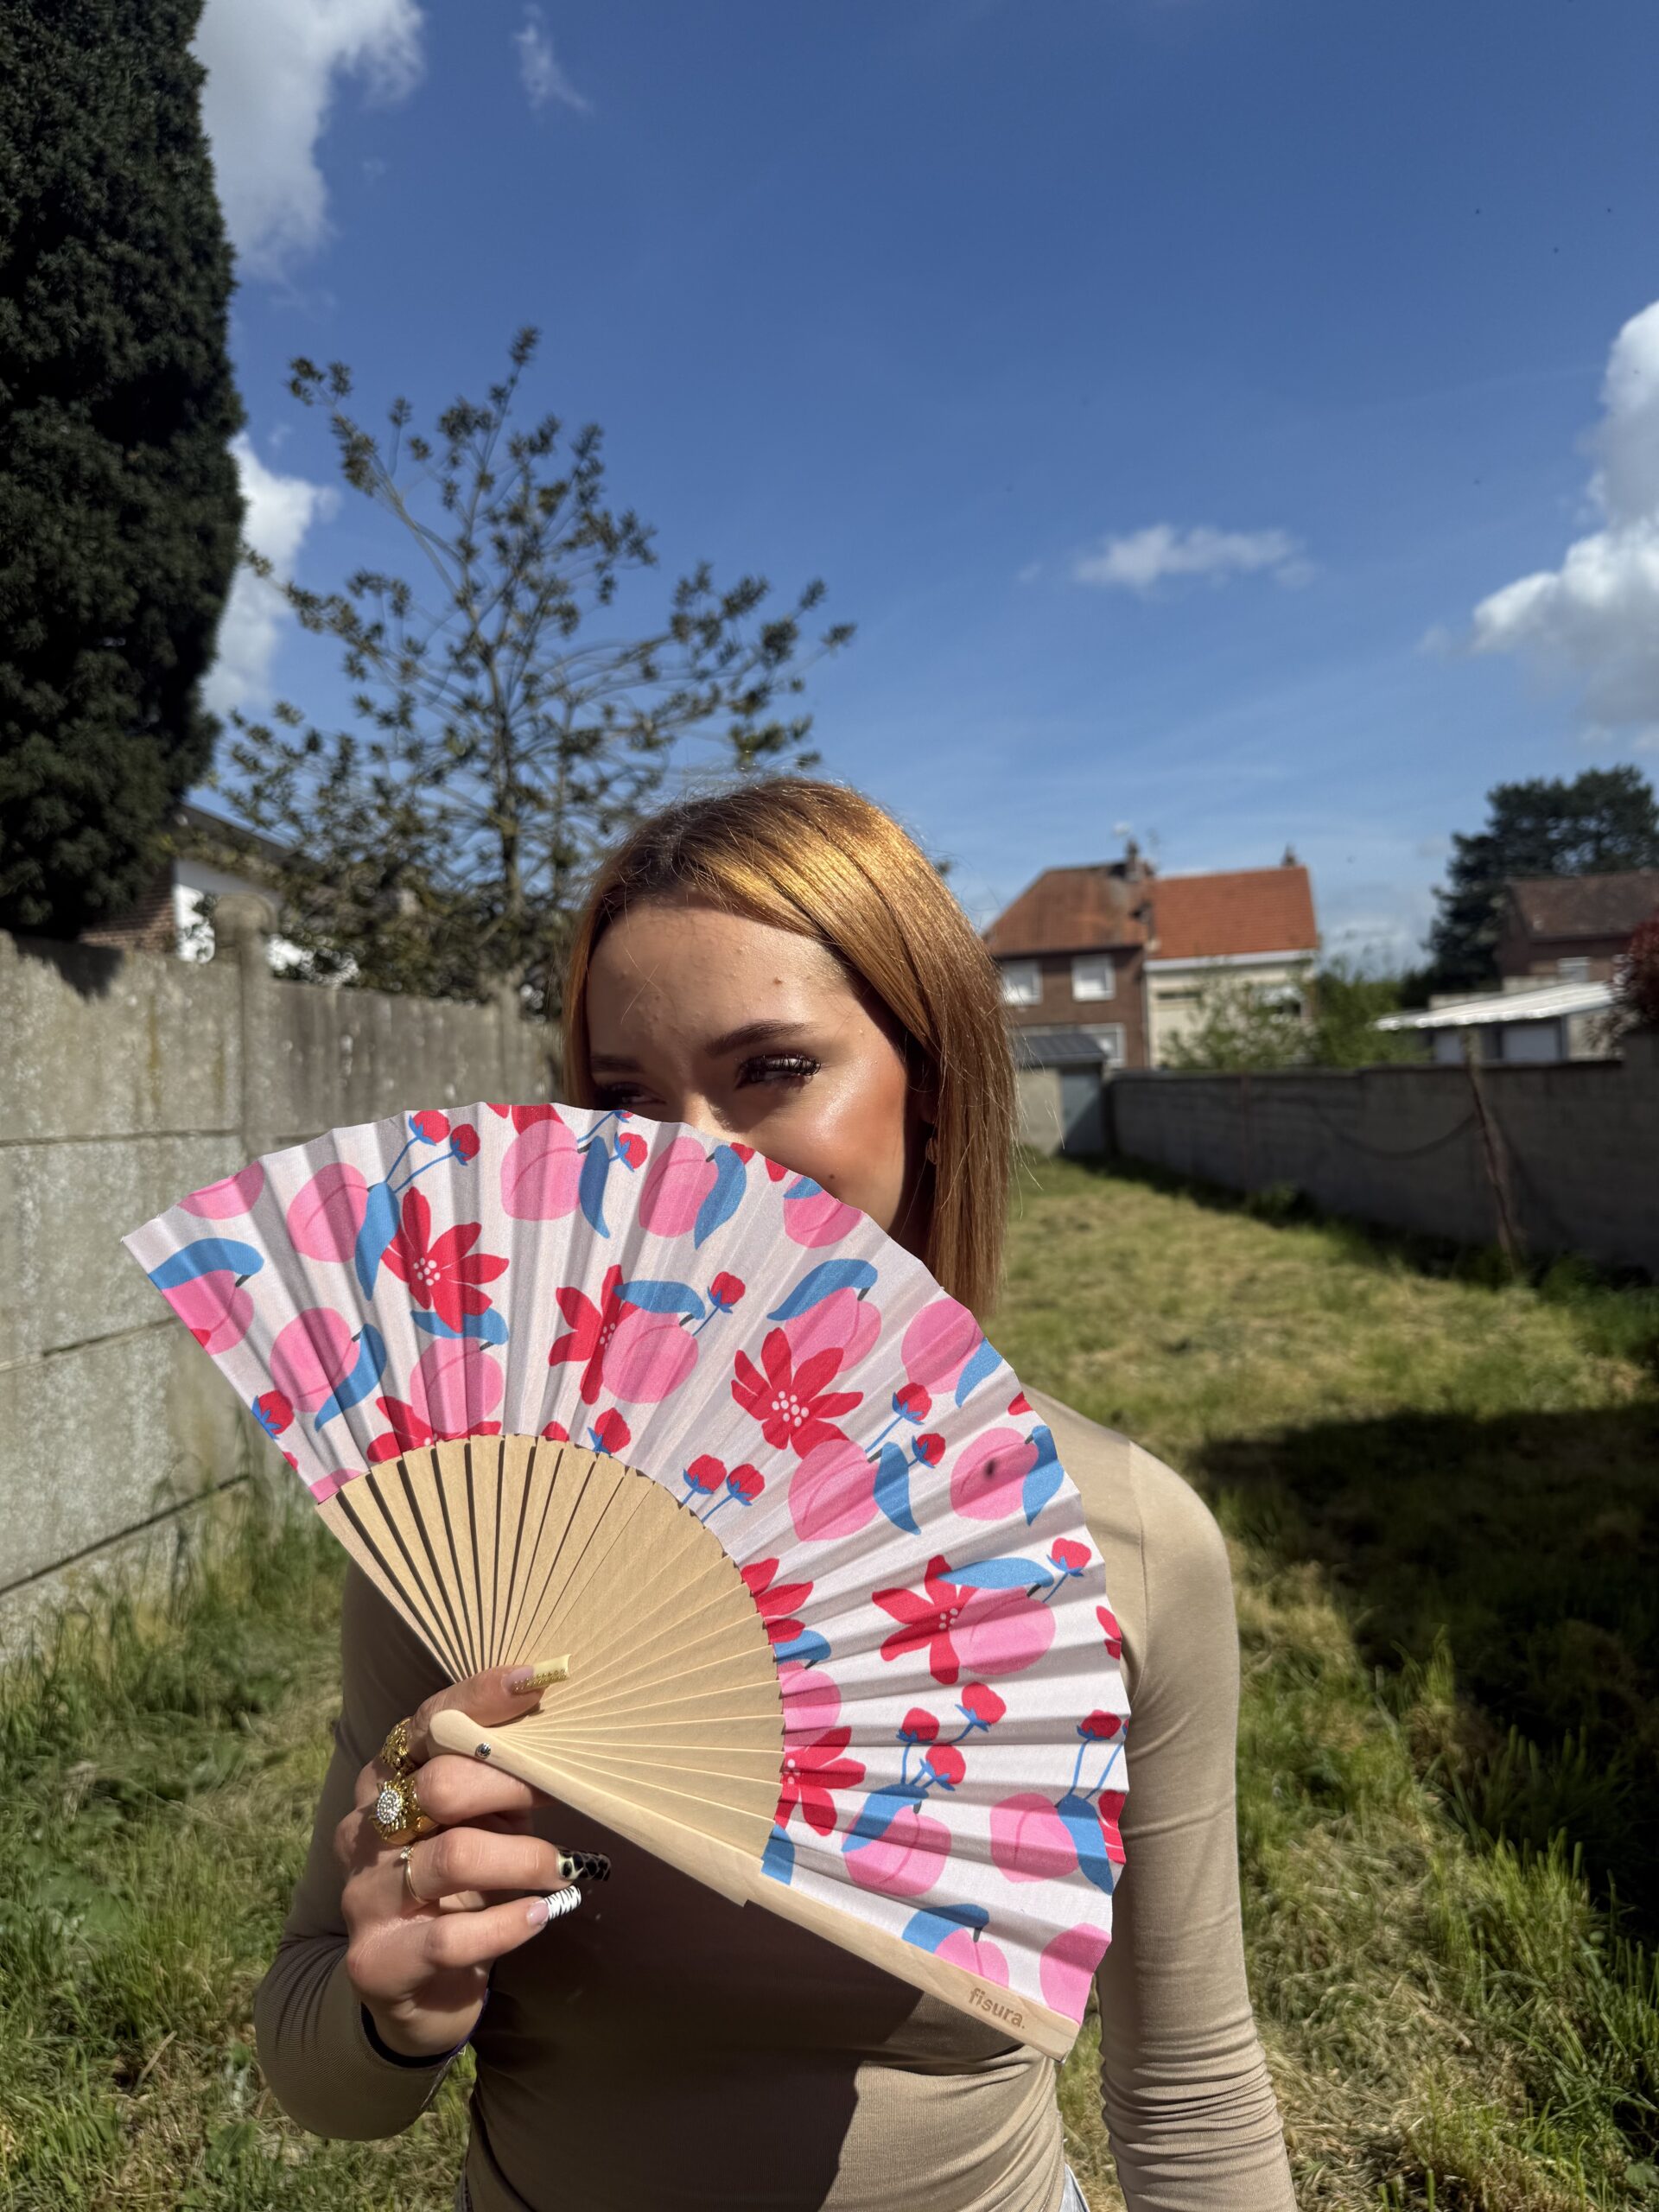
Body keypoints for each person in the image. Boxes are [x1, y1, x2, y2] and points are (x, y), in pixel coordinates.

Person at [254, 777, 1296, 2212]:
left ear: (933, 1093)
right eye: (626, 1097)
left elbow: (1189, 2086)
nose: (686, 1163)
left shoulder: (1115, 1537)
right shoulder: (470, 1528)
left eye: (773, 1070)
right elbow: (315, 2066)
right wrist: (395, 2010)